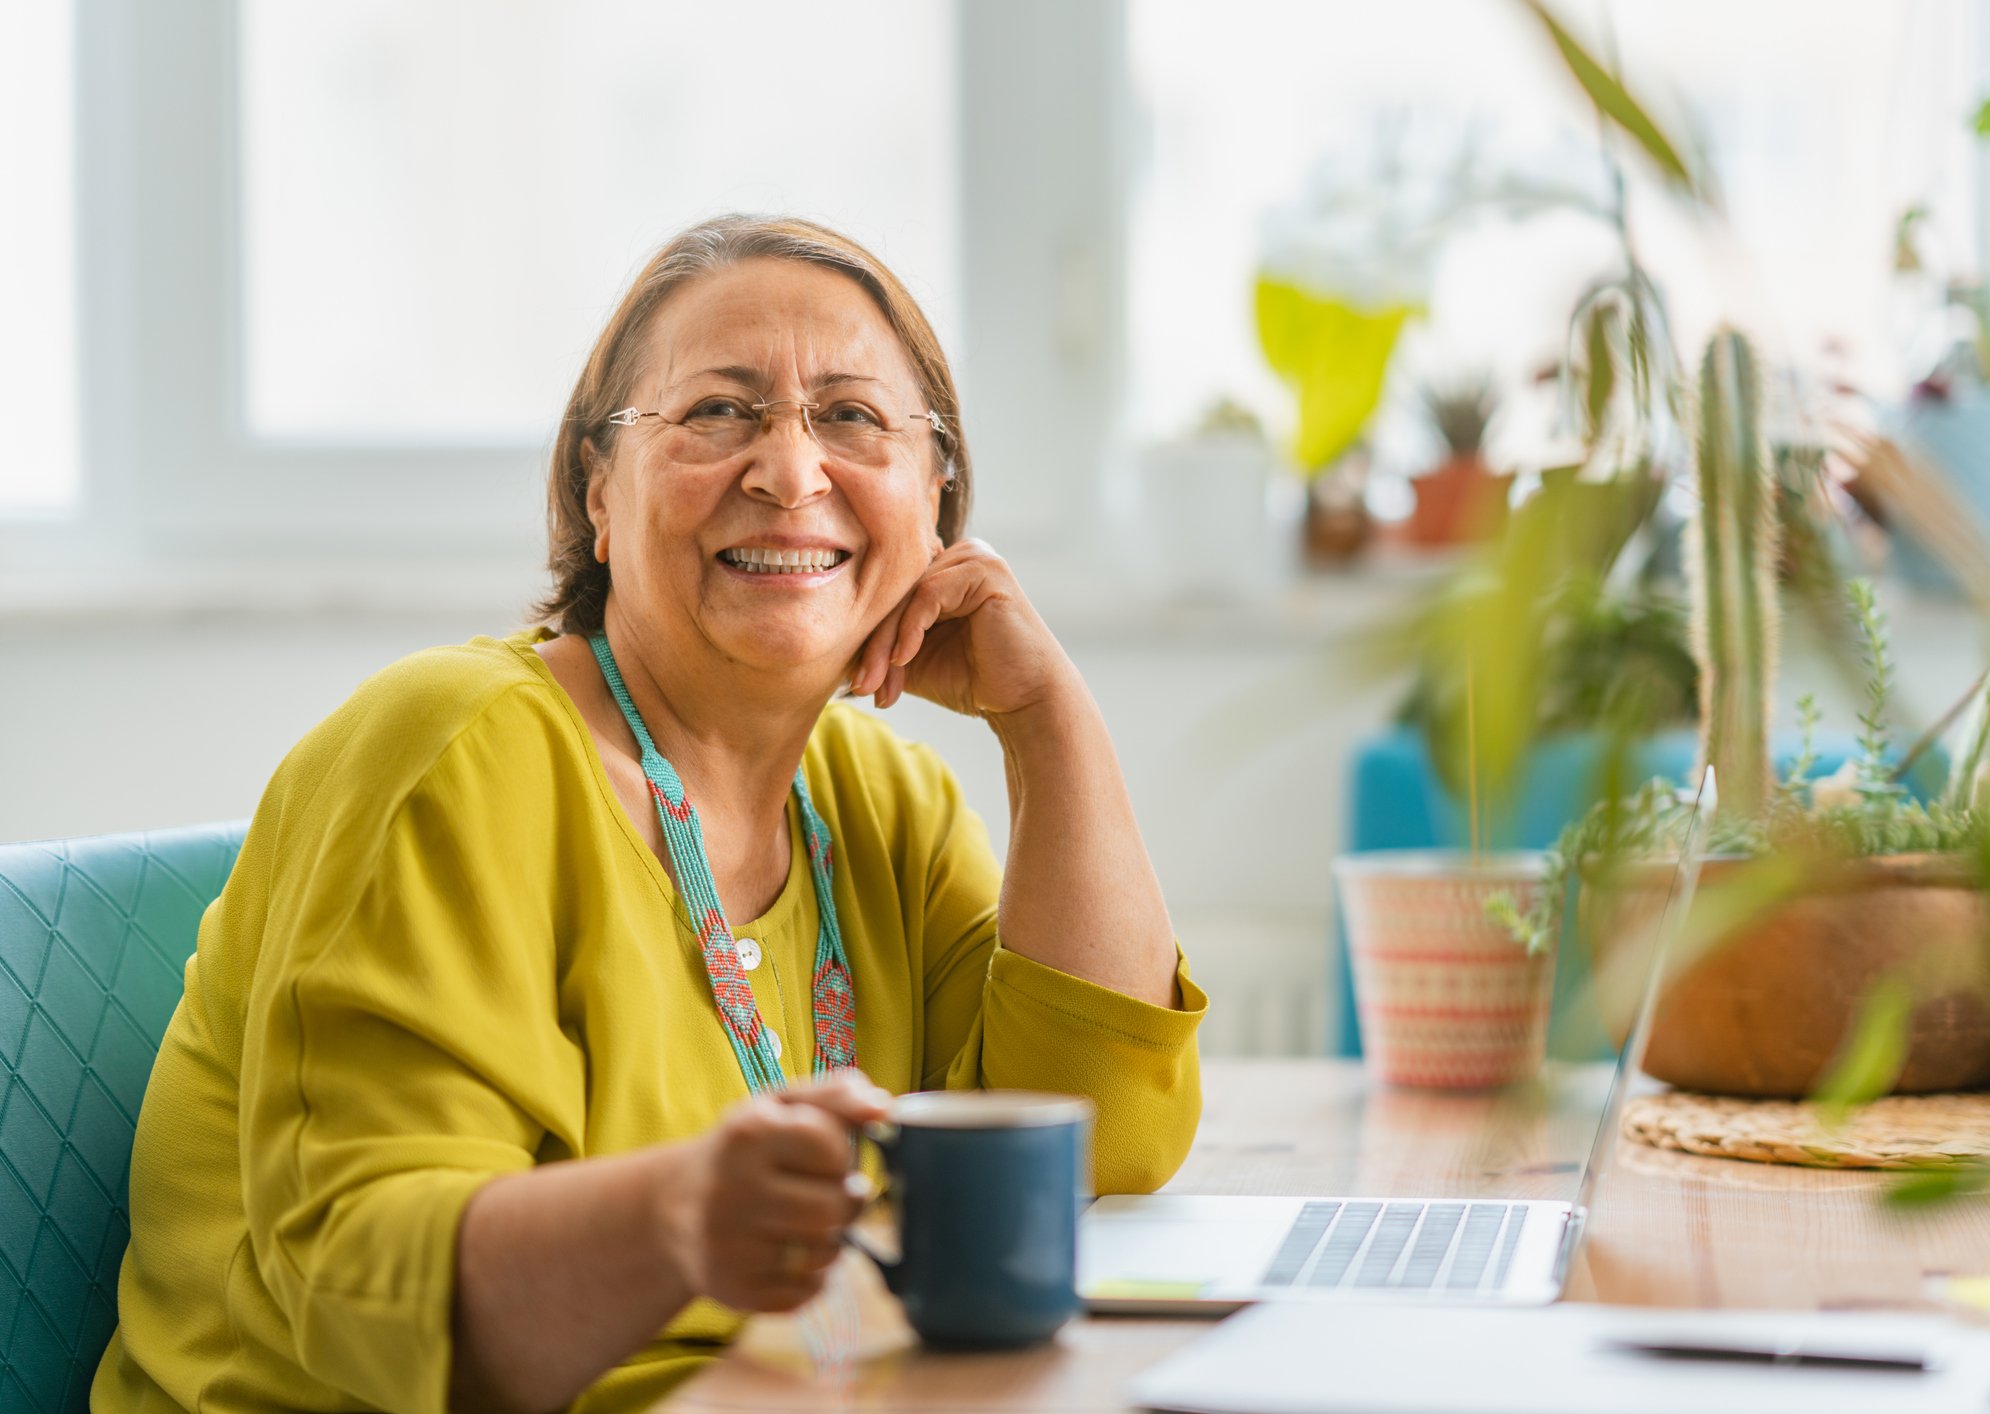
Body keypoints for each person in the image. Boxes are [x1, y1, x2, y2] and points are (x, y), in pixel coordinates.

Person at [94, 215, 1206, 1414]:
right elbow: (365, 1291)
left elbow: (1095, 1146)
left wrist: (1047, 713)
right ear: (598, 492)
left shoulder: (886, 803)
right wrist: (679, 1218)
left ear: (935, 499)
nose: (790, 472)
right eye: (718, 413)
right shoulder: (455, 752)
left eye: (853, 416)